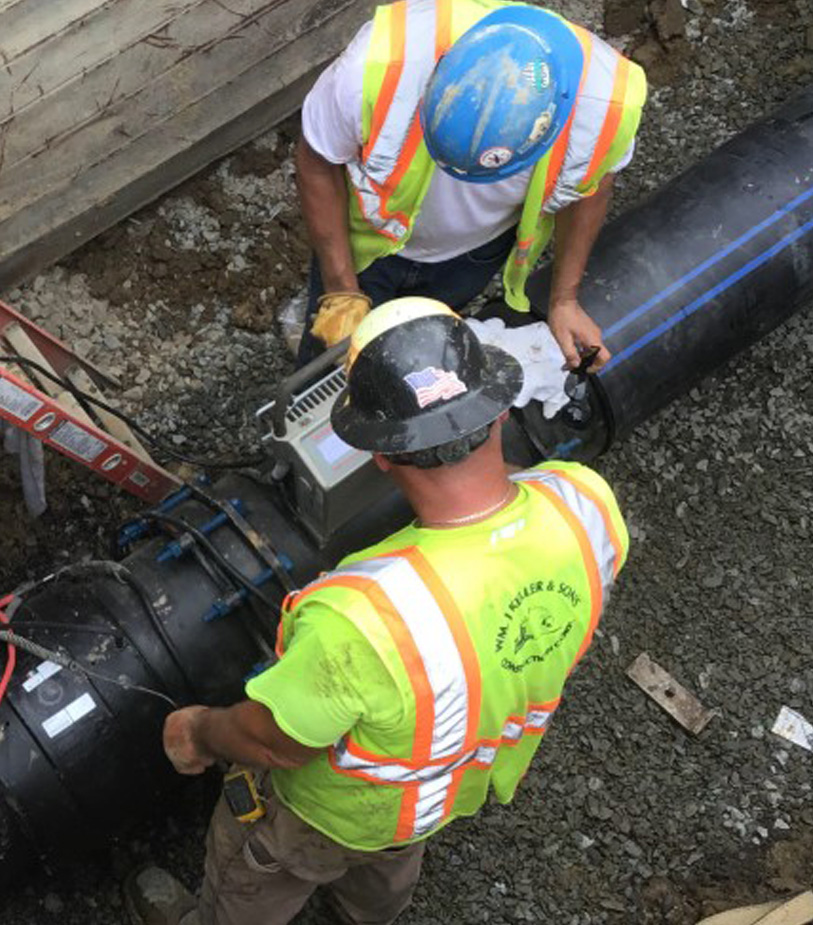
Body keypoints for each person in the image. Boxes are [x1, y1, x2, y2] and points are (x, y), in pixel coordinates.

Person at [125, 297, 629, 925]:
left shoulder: (365, 617)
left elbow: (276, 743)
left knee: (256, 874)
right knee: (385, 873)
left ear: (381, 454)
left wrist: (198, 730)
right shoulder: (585, 503)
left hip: (327, 813)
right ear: (498, 411)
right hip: (434, 795)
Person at [295, 0, 646, 371]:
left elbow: (590, 189)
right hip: (366, 248)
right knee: (329, 364)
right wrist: (339, 290)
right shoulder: (376, 66)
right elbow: (316, 160)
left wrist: (564, 300)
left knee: (421, 356)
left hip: (471, 257)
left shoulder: (605, 107)